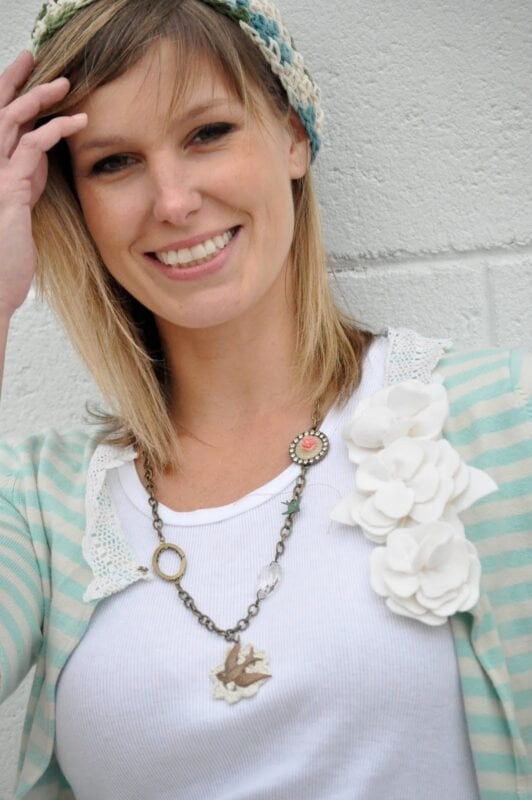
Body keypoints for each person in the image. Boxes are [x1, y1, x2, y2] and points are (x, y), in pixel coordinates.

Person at [0, 1, 531, 799]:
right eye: (114, 163)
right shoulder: (39, 504)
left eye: (207, 133)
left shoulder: (500, 419)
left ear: (291, 135)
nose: (173, 201)